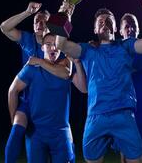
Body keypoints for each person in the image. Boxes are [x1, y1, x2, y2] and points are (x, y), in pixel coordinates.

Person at [55, 0, 142, 163]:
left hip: (124, 115)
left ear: (115, 27)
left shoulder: (126, 46)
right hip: (96, 117)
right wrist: (64, 15)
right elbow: (60, 44)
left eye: (109, 20)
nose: (105, 23)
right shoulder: (87, 49)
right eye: (101, 21)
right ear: (95, 28)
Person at [0, 2, 80, 162]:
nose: (40, 23)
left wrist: (65, 15)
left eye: (44, 21)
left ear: (51, 25)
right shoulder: (27, 39)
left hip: (51, 108)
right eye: (37, 20)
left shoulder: (57, 48)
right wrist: (27, 12)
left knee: (63, 147)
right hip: (28, 101)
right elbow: (4, 28)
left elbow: (67, 71)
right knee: (16, 134)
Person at [8, 33, 86, 162]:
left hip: (61, 133)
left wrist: (77, 63)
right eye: (48, 45)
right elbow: (13, 90)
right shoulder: (32, 69)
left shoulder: (66, 66)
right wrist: (12, 118)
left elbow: (83, 89)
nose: (53, 48)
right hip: (36, 133)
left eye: (55, 44)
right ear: (42, 47)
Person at [119, 13, 142, 163]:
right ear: (120, 31)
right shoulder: (115, 51)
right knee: (125, 156)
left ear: (138, 30)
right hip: (123, 109)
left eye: (134, 25)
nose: (130, 29)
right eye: (127, 26)